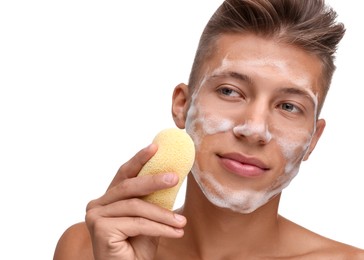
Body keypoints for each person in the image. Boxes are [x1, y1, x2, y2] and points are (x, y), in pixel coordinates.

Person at [53, 0, 364, 259]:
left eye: (289, 107)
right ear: (182, 105)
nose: (254, 129)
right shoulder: (88, 247)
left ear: (313, 140)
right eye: (230, 91)